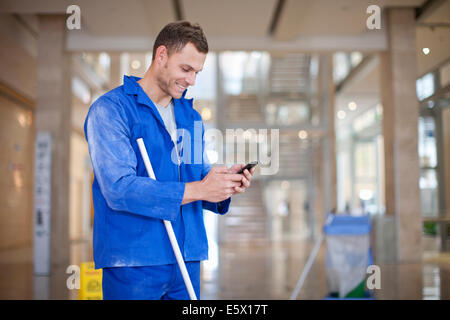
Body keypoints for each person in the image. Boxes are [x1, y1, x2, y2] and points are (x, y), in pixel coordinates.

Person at [84, 21, 255, 300]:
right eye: (185, 69)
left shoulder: (191, 117)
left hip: (187, 259)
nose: (191, 80)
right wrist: (200, 189)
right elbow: (118, 188)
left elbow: (197, 175)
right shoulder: (111, 110)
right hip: (134, 262)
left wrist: (222, 182)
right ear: (161, 56)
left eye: (197, 72)